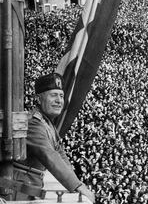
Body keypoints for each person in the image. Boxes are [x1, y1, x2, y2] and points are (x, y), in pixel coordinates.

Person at [13, 73, 95, 203]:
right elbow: (49, 155)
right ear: (38, 99)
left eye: (61, 96)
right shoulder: (33, 123)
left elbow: (59, 153)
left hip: (30, 185)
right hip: (19, 189)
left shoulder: (47, 122)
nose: (59, 100)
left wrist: (78, 184)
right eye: (53, 95)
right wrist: (77, 186)